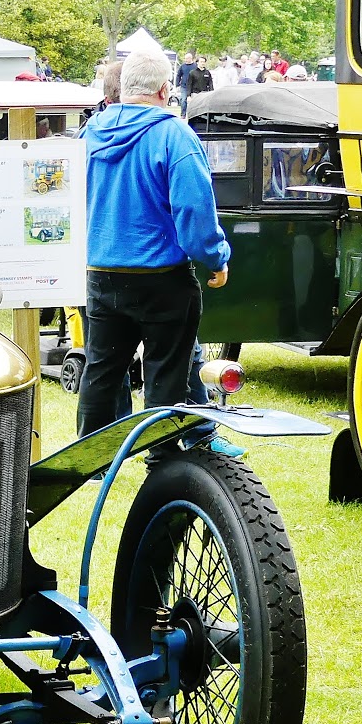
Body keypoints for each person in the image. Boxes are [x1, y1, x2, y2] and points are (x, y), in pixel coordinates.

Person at [74, 49, 232, 440]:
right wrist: (216, 257)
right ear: (165, 90)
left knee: (101, 371)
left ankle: (89, 462)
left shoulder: (89, 132)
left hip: (100, 274)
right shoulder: (175, 135)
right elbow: (194, 211)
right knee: (166, 374)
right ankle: (161, 457)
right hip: (162, 279)